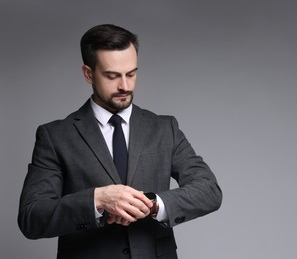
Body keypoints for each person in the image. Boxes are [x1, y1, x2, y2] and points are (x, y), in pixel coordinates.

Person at [18, 24, 222, 259]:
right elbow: (31, 217)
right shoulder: (55, 136)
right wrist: (97, 199)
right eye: (112, 76)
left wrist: (154, 203)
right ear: (88, 73)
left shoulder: (164, 128)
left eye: (131, 74)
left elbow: (209, 190)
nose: (125, 86)